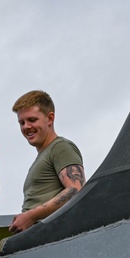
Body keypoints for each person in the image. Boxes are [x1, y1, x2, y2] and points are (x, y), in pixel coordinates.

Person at [9, 90, 85, 233]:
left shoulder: (60, 147)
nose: (26, 127)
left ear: (50, 119)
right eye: (22, 122)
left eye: (32, 120)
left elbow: (76, 190)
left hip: (48, 236)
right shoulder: (42, 156)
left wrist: (31, 216)